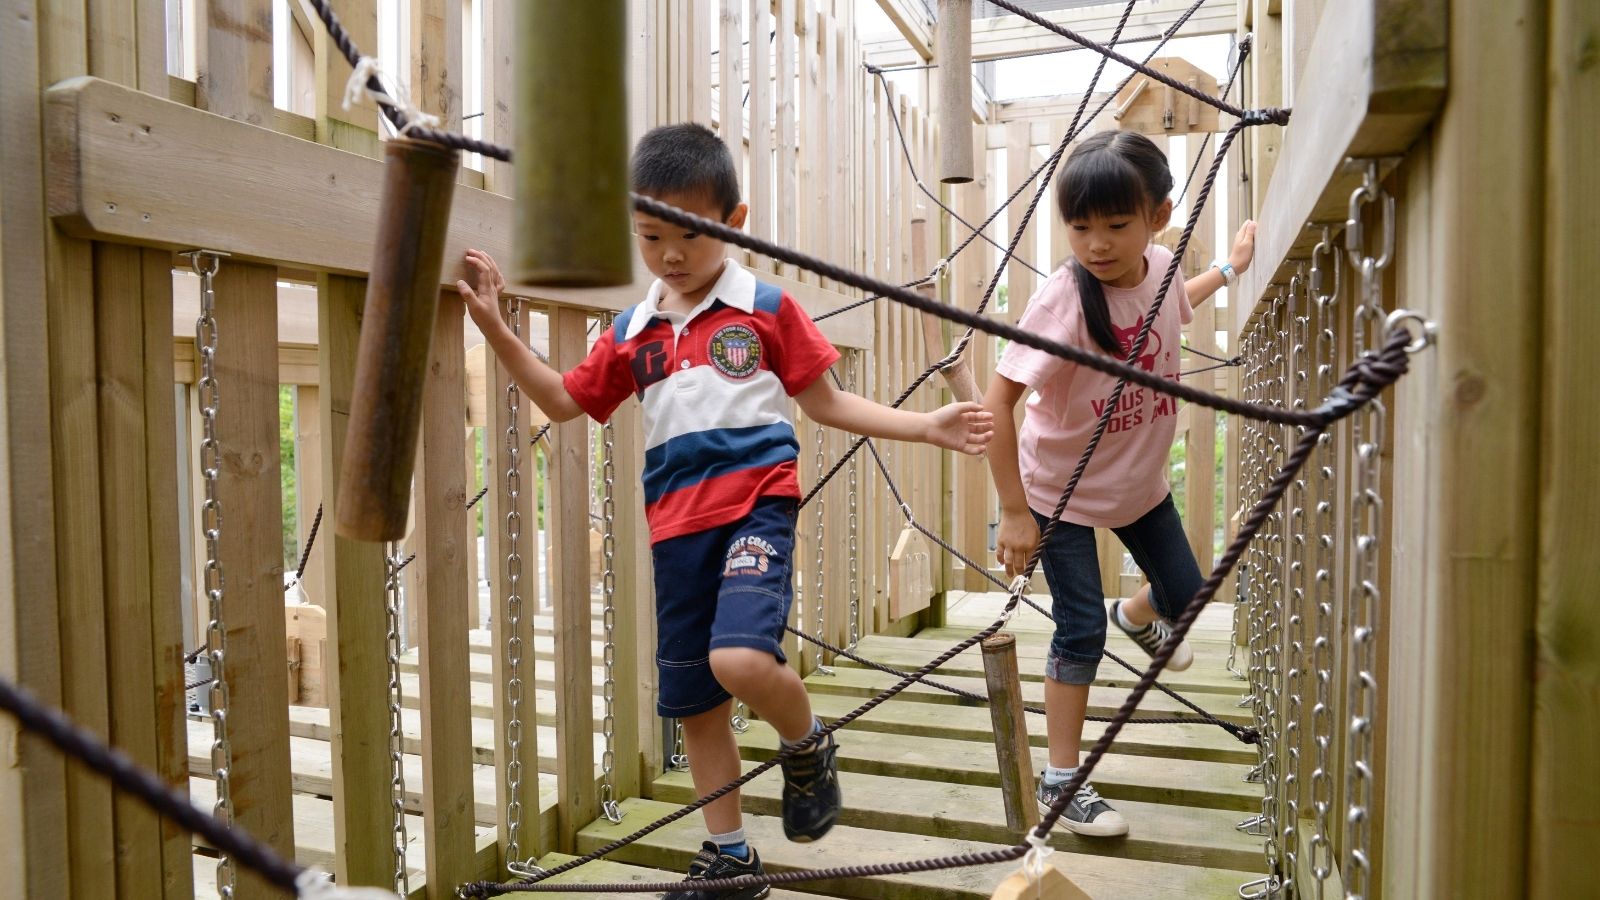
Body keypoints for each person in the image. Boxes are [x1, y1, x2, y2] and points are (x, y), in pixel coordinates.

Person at [460, 123, 994, 899]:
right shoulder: (634, 331)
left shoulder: (766, 309)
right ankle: (732, 858)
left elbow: (829, 403)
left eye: (691, 234)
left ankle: (807, 743)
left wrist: (929, 426)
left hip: (755, 511)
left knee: (739, 661)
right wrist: (495, 325)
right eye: (651, 236)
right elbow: (562, 400)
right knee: (698, 706)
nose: (671, 254)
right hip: (675, 530)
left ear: (733, 223)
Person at [983, 129, 1256, 838]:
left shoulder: (1160, 269)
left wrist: (1227, 269)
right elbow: (998, 400)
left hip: (1137, 484)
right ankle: (1062, 778)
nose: (1097, 244)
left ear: (1157, 218)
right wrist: (1015, 512)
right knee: (1077, 632)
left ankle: (1135, 617)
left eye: (1116, 225)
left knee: (1187, 597)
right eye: (1079, 227)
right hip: (1060, 497)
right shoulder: (1064, 301)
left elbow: (1172, 305)